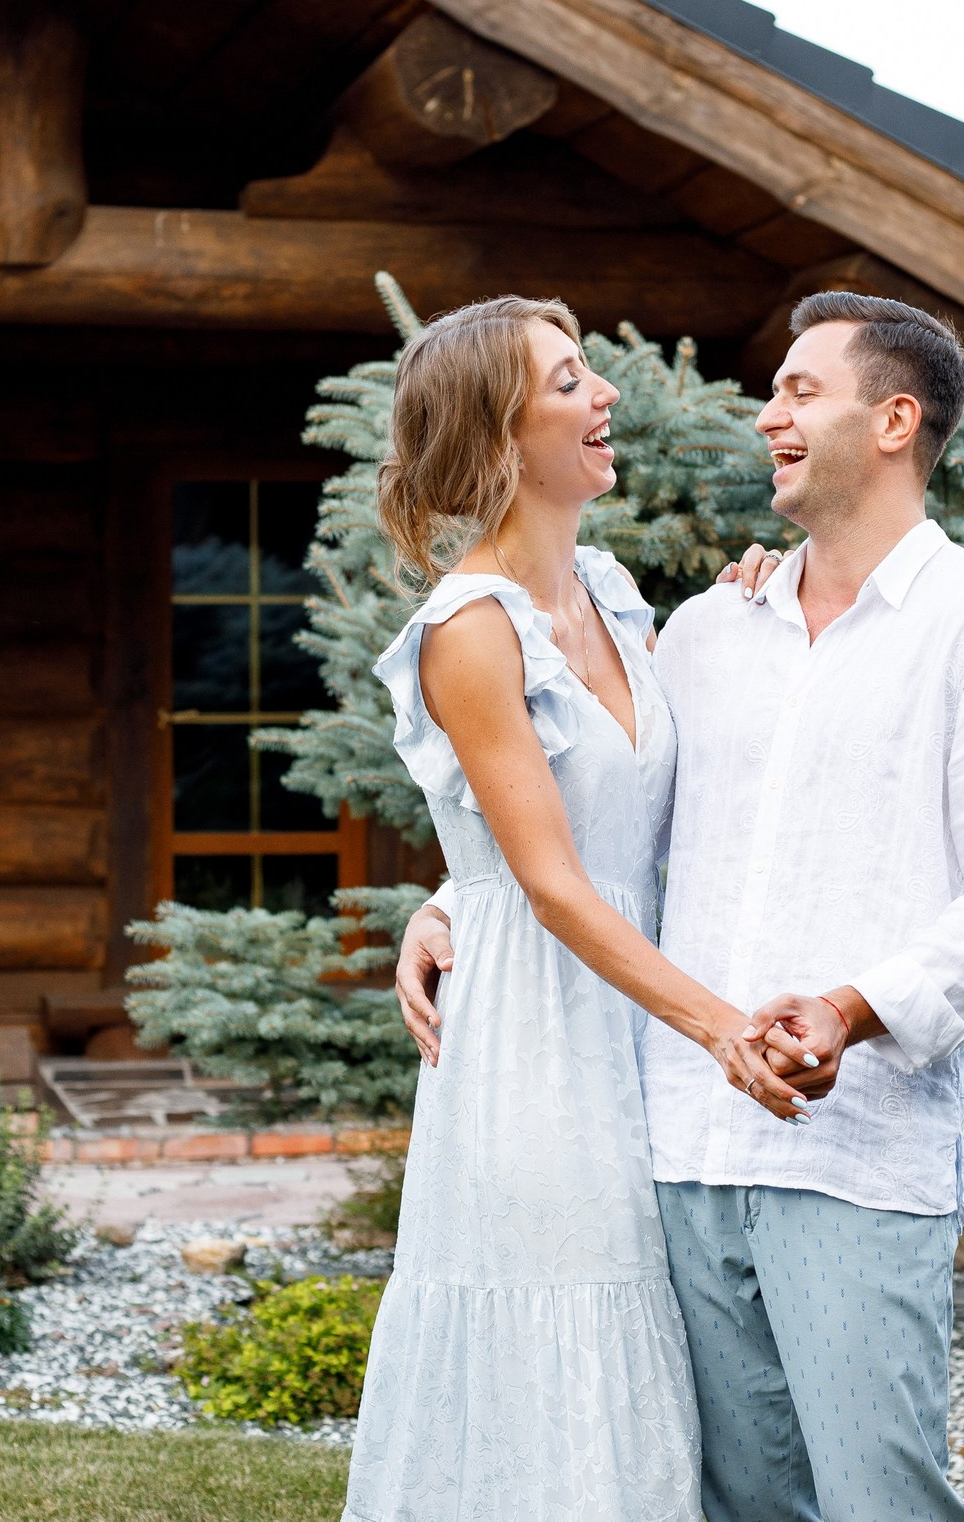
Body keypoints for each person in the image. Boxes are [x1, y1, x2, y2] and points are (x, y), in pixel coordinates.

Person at [397, 292, 964, 1521]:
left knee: (882, 1500)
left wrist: (850, 1008)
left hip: (854, 1149)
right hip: (674, 1148)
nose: (763, 414)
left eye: (798, 392)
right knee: (730, 1502)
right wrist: (457, 896)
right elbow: (592, 810)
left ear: (892, 418)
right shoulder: (709, 627)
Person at [341, 295, 811, 1522]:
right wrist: (722, 1027)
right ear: (500, 434)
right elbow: (547, 879)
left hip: (627, 1027)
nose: (603, 394)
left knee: (637, 1338)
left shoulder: (608, 591)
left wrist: (741, 615)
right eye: (567, 380)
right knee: (563, 1320)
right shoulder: (466, 631)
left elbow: (630, 812)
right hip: (536, 1048)